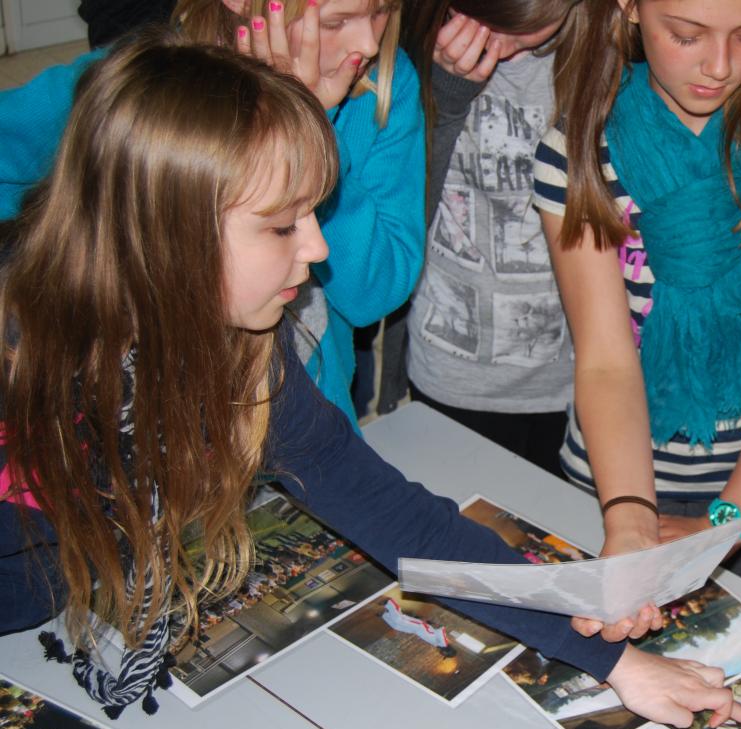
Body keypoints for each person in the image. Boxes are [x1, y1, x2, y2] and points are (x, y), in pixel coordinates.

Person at [0, 34, 741, 729]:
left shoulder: (241, 350)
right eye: (281, 226)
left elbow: (398, 517)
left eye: (313, 217)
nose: (317, 249)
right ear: (168, 235)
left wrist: (615, 664)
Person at [535, 0, 741, 595]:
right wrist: (632, 514)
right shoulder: (580, 150)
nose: (719, 65)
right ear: (629, 9)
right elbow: (607, 361)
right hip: (612, 477)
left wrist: (727, 524)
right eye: (686, 35)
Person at [0, 0, 425, 426]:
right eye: (338, 21)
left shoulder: (386, 82)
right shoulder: (147, 80)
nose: (369, 41)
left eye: (382, 10)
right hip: (153, 434)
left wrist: (309, 134)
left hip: (310, 433)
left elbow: (376, 293)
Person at [385, 1, 581, 474]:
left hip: (575, 382)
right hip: (450, 374)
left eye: (525, 25)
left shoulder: (609, 56)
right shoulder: (416, 36)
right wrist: (447, 95)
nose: (500, 44)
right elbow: (405, 215)